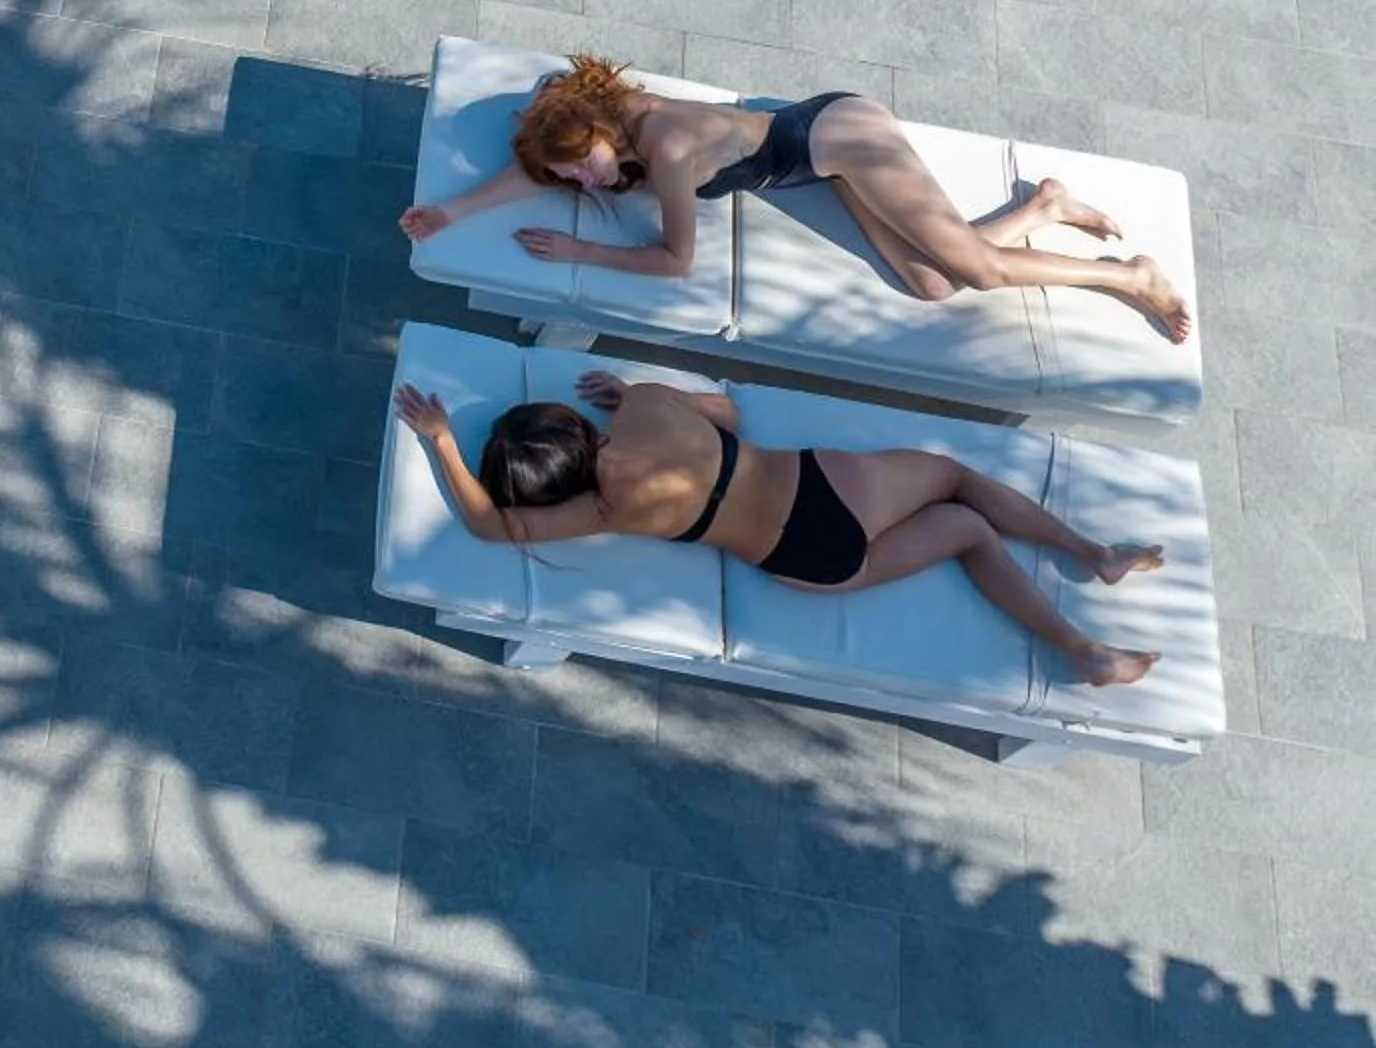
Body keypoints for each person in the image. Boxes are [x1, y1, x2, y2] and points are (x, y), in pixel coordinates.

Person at [393, 370, 1163, 687]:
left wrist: (442, 442)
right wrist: (628, 391)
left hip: (804, 559)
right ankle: (1092, 556)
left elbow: (496, 528)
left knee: (965, 530)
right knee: (956, 483)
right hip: (825, 485)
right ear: (568, 421)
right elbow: (730, 412)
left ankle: (1082, 651)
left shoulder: (605, 510)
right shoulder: (644, 403)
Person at [398, 55, 1191, 343]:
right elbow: (538, 163)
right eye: (574, 182)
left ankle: (1133, 278)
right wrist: (452, 213)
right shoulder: (601, 132)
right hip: (822, 165)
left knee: (979, 271)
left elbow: (675, 262)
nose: (583, 185)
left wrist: (582, 252)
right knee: (932, 282)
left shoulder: (666, 147)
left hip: (849, 140)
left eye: (583, 169)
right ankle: (1045, 206)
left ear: (601, 128)